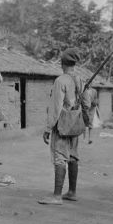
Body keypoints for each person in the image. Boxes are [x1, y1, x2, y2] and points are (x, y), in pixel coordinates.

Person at [39, 48, 91, 205]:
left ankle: (56, 196)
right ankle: (72, 192)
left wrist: (48, 128)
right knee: (73, 156)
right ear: (74, 64)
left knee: (60, 157)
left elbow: (55, 108)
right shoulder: (80, 80)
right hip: (76, 123)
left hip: (62, 125)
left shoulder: (60, 81)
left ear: (62, 63)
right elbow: (87, 103)